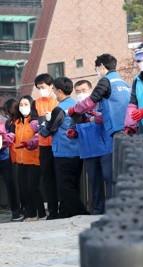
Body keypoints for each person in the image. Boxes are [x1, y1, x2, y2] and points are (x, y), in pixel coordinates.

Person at [68, 54, 130, 209]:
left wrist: (75, 109)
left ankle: (112, 208)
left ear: (102, 66)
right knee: (115, 174)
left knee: (110, 175)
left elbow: (90, 102)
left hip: (113, 132)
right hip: (125, 128)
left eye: (97, 68)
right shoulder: (123, 82)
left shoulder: (106, 81)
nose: (97, 71)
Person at [40, 77, 87, 218]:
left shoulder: (59, 109)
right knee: (73, 184)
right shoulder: (77, 105)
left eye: (54, 89)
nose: (53, 92)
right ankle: (66, 212)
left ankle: (81, 212)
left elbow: (46, 131)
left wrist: (43, 124)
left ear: (60, 91)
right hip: (78, 151)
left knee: (65, 186)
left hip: (63, 152)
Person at [73, 80, 106, 214]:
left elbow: (107, 118)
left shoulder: (100, 103)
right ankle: (97, 208)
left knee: (109, 178)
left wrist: (97, 117)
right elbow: (73, 126)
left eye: (84, 90)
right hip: (88, 149)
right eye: (78, 91)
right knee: (94, 180)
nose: (81, 94)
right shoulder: (77, 109)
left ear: (91, 89)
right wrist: (73, 132)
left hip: (104, 147)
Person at [13, 95, 44, 221]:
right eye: (21, 104)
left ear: (31, 106)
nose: (23, 107)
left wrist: (31, 143)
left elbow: (39, 136)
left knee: (33, 188)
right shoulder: (17, 122)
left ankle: (41, 213)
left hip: (33, 159)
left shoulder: (34, 122)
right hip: (20, 160)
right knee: (24, 188)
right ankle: (30, 213)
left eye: (26, 104)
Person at [33, 73, 59, 219]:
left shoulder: (57, 101)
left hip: (57, 144)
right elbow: (33, 120)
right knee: (47, 178)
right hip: (43, 145)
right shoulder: (36, 103)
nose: (40, 90)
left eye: (42, 87)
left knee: (59, 177)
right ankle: (52, 210)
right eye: (38, 88)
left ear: (51, 86)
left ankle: (63, 207)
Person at [0, 106, 22, 221]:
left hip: (4, 157)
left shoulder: (4, 121)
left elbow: (11, 136)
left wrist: (4, 140)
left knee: (10, 185)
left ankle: (16, 212)